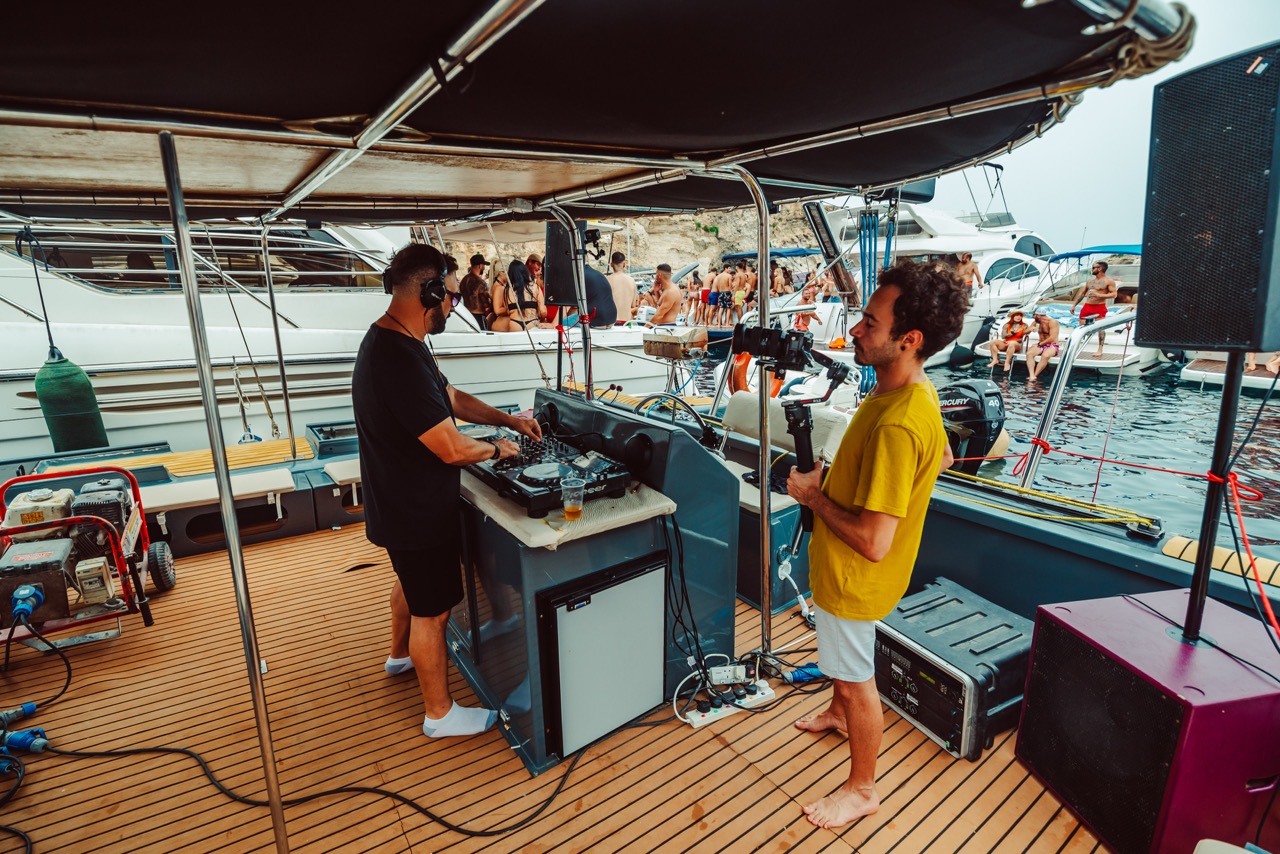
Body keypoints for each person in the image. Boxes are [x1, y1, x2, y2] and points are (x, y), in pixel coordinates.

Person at [786, 259, 965, 829]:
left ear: (909, 340)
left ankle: (862, 789)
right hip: (852, 576)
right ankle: (839, 715)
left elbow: (871, 541)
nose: (856, 330)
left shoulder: (897, 423)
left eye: (870, 322)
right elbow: (943, 455)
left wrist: (813, 497)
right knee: (845, 671)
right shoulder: (911, 393)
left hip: (853, 582)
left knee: (857, 679)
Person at [352, 243, 543, 739]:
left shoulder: (396, 340)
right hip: (414, 509)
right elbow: (452, 448)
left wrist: (509, 420)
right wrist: (498, 449)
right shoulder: (397, 358)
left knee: (411, 585)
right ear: (430, 292)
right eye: (453, 297)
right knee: (432, 611)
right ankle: (439, 714)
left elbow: (450, 398)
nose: (455, 307)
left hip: (396, 503)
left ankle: (399, 656)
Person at [1070, 261, 1119, 356]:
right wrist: (1074, 305)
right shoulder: (1090, 281)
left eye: (1093, 267)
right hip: (1087, 306)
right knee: (1081, 328)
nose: (1092, 269)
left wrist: (1099, 295)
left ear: (1100, 268)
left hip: (1099, 307)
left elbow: (1114, 294)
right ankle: (1077, 347)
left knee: (1101, 328)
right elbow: (1082, 294)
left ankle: (1100, 349)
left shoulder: (1109, 281)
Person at [491, 260, 553, 332]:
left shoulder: (507, 290)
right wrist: (542, 319)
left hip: (514, 324)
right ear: (525, 272)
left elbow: (508, 310)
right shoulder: (535, 287)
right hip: (532, 323)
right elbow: (543, 312)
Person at [459, 254, 493, 328]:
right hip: (478, 317)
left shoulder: (464, 280)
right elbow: (486, 305)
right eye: (483, 265)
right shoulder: (481, 283)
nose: (484, 268)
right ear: (480, 266)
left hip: (467, 315)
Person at [1025, 311, 1061, 381]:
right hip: (1041, 344)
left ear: (1038, 315)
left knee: (1045, 356)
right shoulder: (1036, 322)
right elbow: (1025, 332)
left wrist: (1040, 344)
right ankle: (1031, 375)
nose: (1032, 317)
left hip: (1052, 345)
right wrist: (1030, 329)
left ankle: (1035, 375)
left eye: (1034, 315)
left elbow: (1052, 337)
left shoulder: (1052, 322)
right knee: (1029, 354)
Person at [606, 251, 637, 324]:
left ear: (611, 264)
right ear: (624, 264)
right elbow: (633, 305)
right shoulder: (631, 281)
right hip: (627, 322)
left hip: (611, 322)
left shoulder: (606, 280)